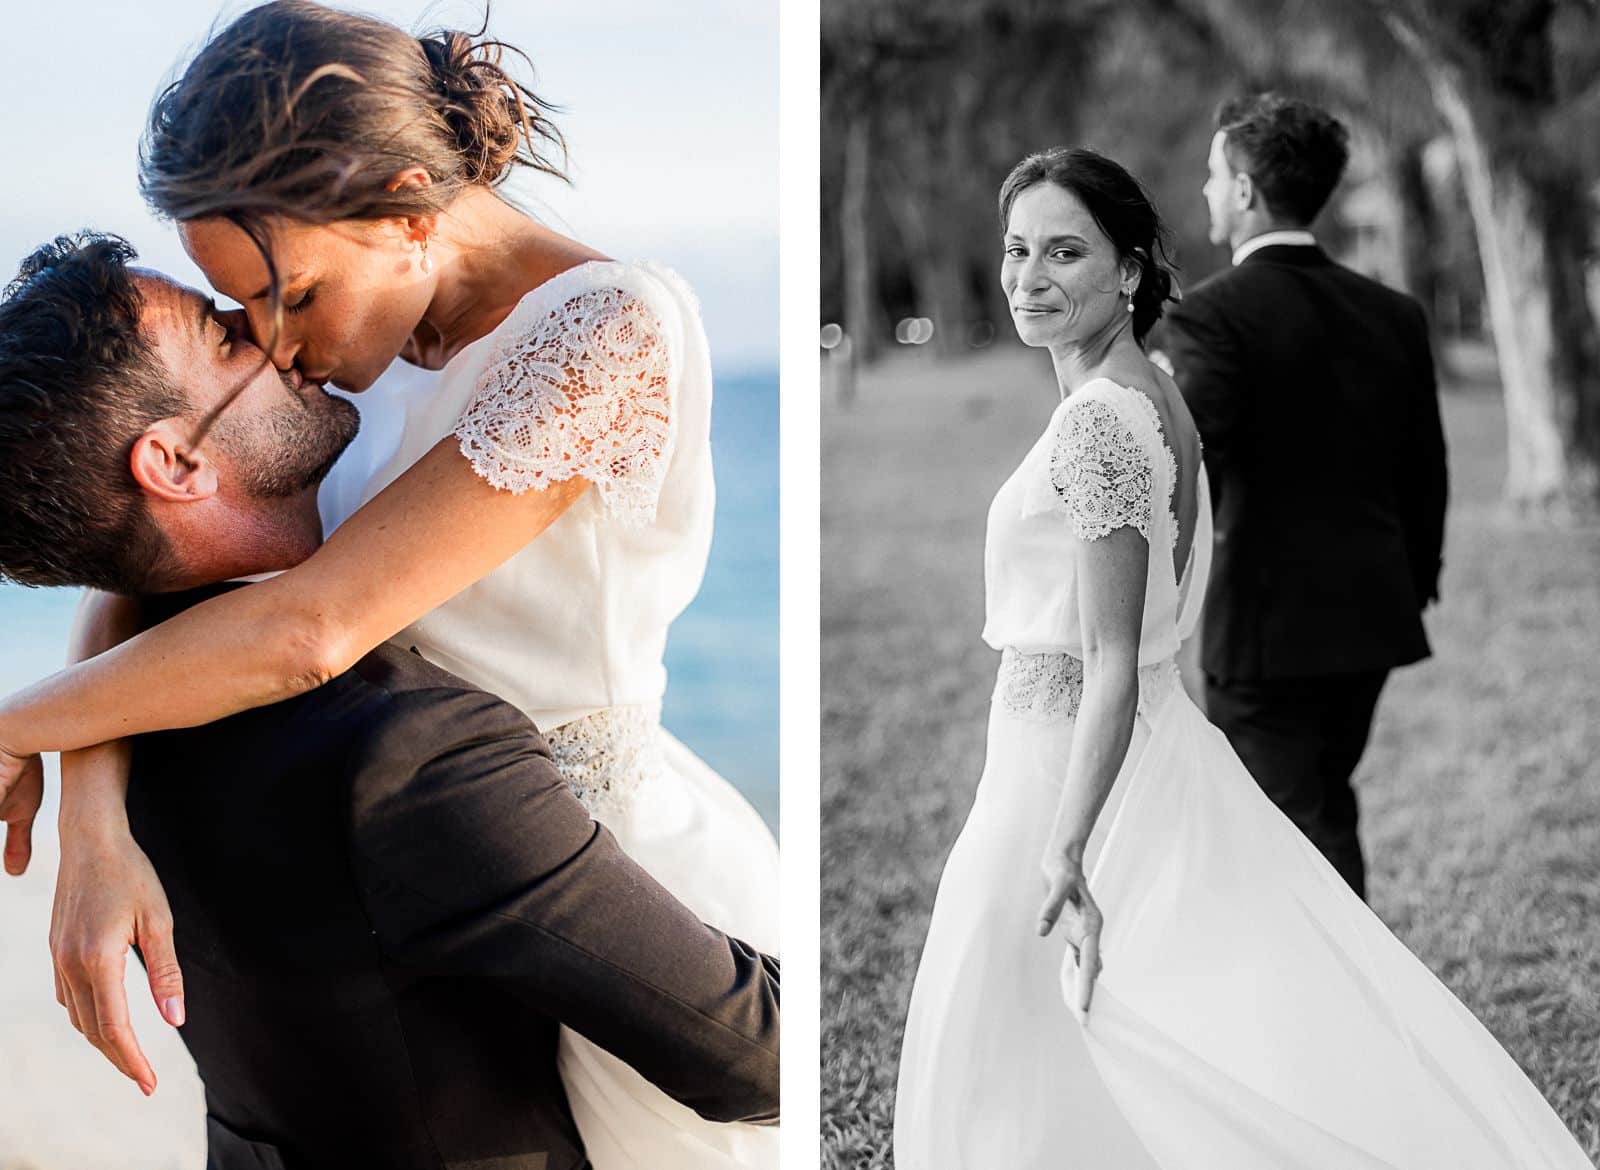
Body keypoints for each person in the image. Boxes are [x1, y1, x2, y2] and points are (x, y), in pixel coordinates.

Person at [0, 4, 778, 1167]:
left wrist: (12, 725)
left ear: (409, 207)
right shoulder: (370, 334)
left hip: (599, 878)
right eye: (244, 314)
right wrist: (93, 818)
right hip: (442, 855)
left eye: (290, 297)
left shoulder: (604, 332)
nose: (273, 346)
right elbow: (152, 572)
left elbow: (311, 627)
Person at [892, 146, 1589, 1169]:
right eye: (1015, 251)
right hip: (1143, 743)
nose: (1028, 278)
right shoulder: (1153, 391)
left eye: (1064, 252)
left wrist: (1067, 847)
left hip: (1064, 766)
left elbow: (1111, 659)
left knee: (1015, 1023)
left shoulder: (1099, 425)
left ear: (1129, 271)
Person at [1158, 92, 1448, 898]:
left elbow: (1186, 460)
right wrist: (1413, 580)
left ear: (1247, 191)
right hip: (1373, 615)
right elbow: (1427, 466)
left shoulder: (1213, 316)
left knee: (1283, 833)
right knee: (1325, 803)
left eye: (1217, 176)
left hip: (1266, 630)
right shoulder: (1392, 312)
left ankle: (1332, 1008)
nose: (1209, 193)